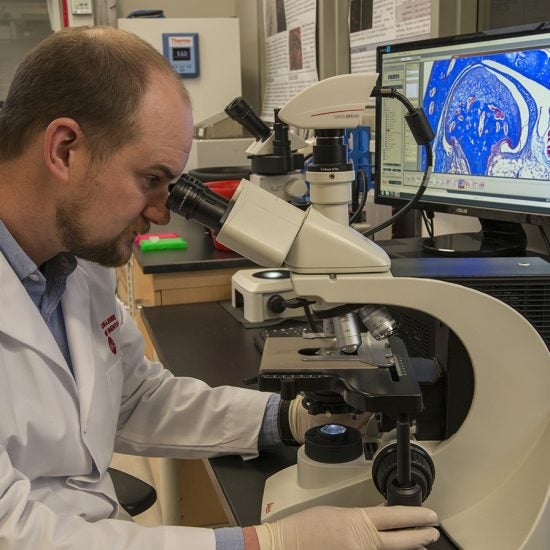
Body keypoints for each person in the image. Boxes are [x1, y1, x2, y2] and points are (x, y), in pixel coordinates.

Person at [0, 26, 440, 550]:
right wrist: (265, 543)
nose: (162, 212)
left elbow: (136, 399)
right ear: (65, 149)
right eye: (151, 179)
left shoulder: (74, 262)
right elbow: (17, 531)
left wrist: (287, 417)